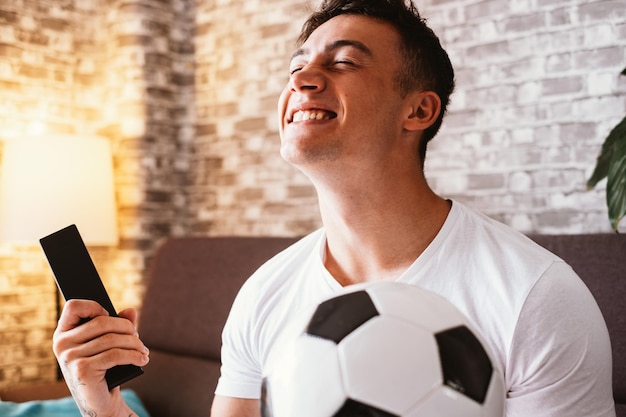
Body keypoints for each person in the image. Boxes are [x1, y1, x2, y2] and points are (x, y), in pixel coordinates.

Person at [53, 0, 616, 416]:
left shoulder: (536, 296)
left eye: (344, 62)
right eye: (297, 65)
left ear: (418, 110)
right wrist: (102, 405)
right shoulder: (264, 293)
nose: (302, 77)